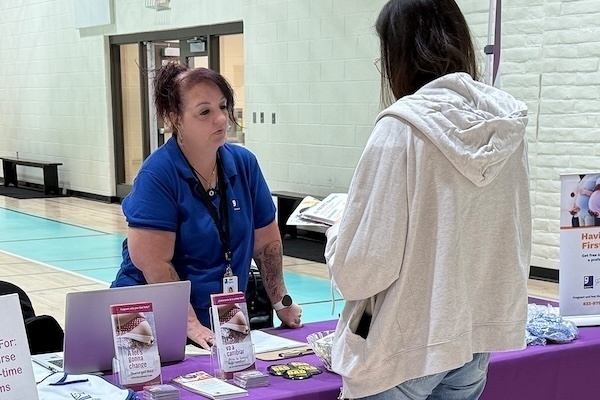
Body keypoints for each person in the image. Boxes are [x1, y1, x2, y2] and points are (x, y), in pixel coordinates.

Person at [324, 1, 531, 399]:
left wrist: (337, 236)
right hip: (474, 339)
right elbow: (514, 238)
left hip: (402, 345)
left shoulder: (400, 130)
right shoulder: (506, 128)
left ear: (398, 53)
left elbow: (362, 269)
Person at [112, 62, 302, 350]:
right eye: (205, 112)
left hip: (223, 315)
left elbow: (266, 246)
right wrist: (188, 323)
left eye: (223, 107)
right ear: (175, 118)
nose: (221, 119)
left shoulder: (244, 164)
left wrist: (281, 301)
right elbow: (153, 262)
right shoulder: (158, 174)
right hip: (151, 319)